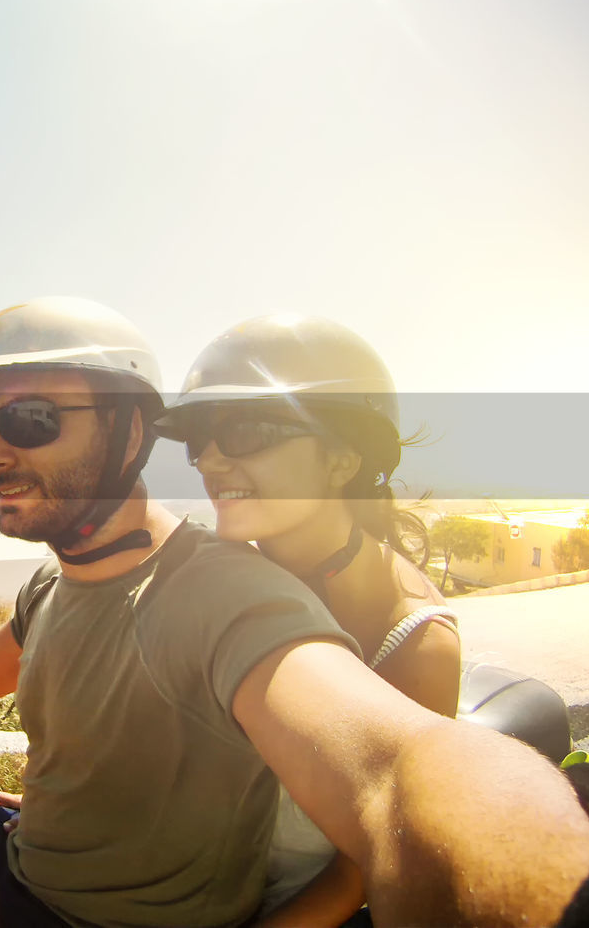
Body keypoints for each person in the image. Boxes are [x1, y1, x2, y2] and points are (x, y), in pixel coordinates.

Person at [0, 297, 589, 928]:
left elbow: (400, 774)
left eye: (28, 419)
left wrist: (571, 883)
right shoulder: (64, 578)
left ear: (130, 433)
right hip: (32, 855)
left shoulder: (229, 587)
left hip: (114, 910)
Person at [155, 314, 460, 926]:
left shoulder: (415, 643)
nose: (209, 461)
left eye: (247, 431)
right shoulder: (225, 572)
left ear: (343, 460)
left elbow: (365, 867)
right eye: (199, 439)